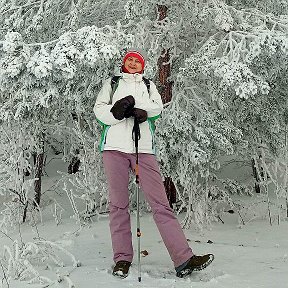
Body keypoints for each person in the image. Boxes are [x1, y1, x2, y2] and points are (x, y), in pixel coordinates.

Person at [93, 48, 214, 278]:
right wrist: (116, 112)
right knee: (118, 205)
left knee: (161, 203)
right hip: (114, 149)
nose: (132, 63)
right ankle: (122, 260)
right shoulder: (112, 83)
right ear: (123, 64)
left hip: (144, 149)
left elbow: (158, 108)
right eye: (129, 60)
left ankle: (184, 259)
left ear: (142, 65)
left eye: (137, 61)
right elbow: (99, 111)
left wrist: (142, 112)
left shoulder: (149, 86)